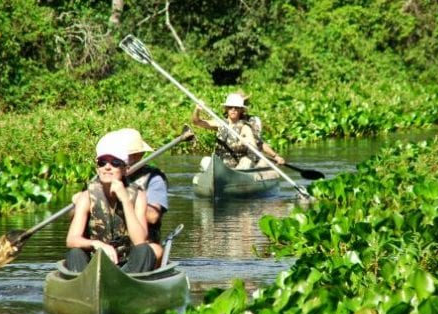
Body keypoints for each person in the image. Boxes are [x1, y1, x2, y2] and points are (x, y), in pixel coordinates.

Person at [72, 128, 169, 264]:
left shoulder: (153, 178)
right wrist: (80, 204)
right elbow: (74, 220)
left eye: (115, 162)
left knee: (154, 250)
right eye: (103, 162)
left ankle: (135, 274)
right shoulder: (97, 181)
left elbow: (153, 217)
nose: (108, 166)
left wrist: (127, 201)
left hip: (134, 245)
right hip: (99, 244)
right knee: (75, 253)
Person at [192, 92, 285, 168]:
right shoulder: (220, 122)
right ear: (226, 109)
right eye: (230, 107)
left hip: (236, 164)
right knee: (205, 160)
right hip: (220, 163)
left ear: (241, 110)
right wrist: (197, 110)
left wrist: (275, 156)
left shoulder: (245, 126)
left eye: (236, 107)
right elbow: (197, 122)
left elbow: (257, 143)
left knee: (246, 162)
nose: (233, 110)